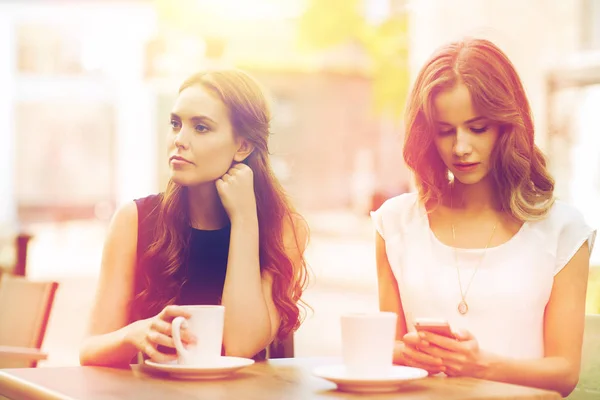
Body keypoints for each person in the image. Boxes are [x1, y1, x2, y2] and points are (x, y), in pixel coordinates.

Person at [371, 38, 596, 397]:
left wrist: (479, 365)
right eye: (445, 131)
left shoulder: (562, 231)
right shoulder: (395, 223)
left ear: (508, 124)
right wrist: (412, 353)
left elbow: (565, 373)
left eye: (478, 128)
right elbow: (388, 348)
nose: (460, 147)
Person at [80, 69, 309, 367]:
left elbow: (240, 345)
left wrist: (244, 220)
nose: (180, 140)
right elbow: (90, 350)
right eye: (175, 124)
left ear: (242, 146)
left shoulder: (283, 228)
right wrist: (133, 334)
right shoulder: (134, 220)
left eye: (201, 128)